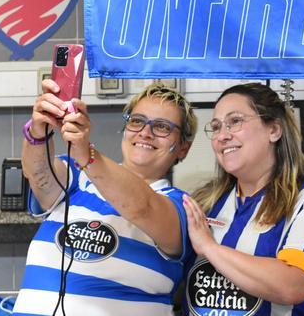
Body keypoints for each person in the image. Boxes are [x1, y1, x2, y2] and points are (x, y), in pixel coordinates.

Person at [12, 80, 197, 316]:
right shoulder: (76, 176)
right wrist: (38, 130)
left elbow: (142, 207)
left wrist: (86, 153)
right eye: (137, 121)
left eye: (162, 127)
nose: (145, 133)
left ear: (183, 148)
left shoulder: (181, 207)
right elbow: (39, 176)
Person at [182, 83, 304, 316]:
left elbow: (293, 285)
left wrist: (209, 248)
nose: (222, 136)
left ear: (274, 130)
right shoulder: (203, 202)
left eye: (235, 121)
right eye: (216, 127)